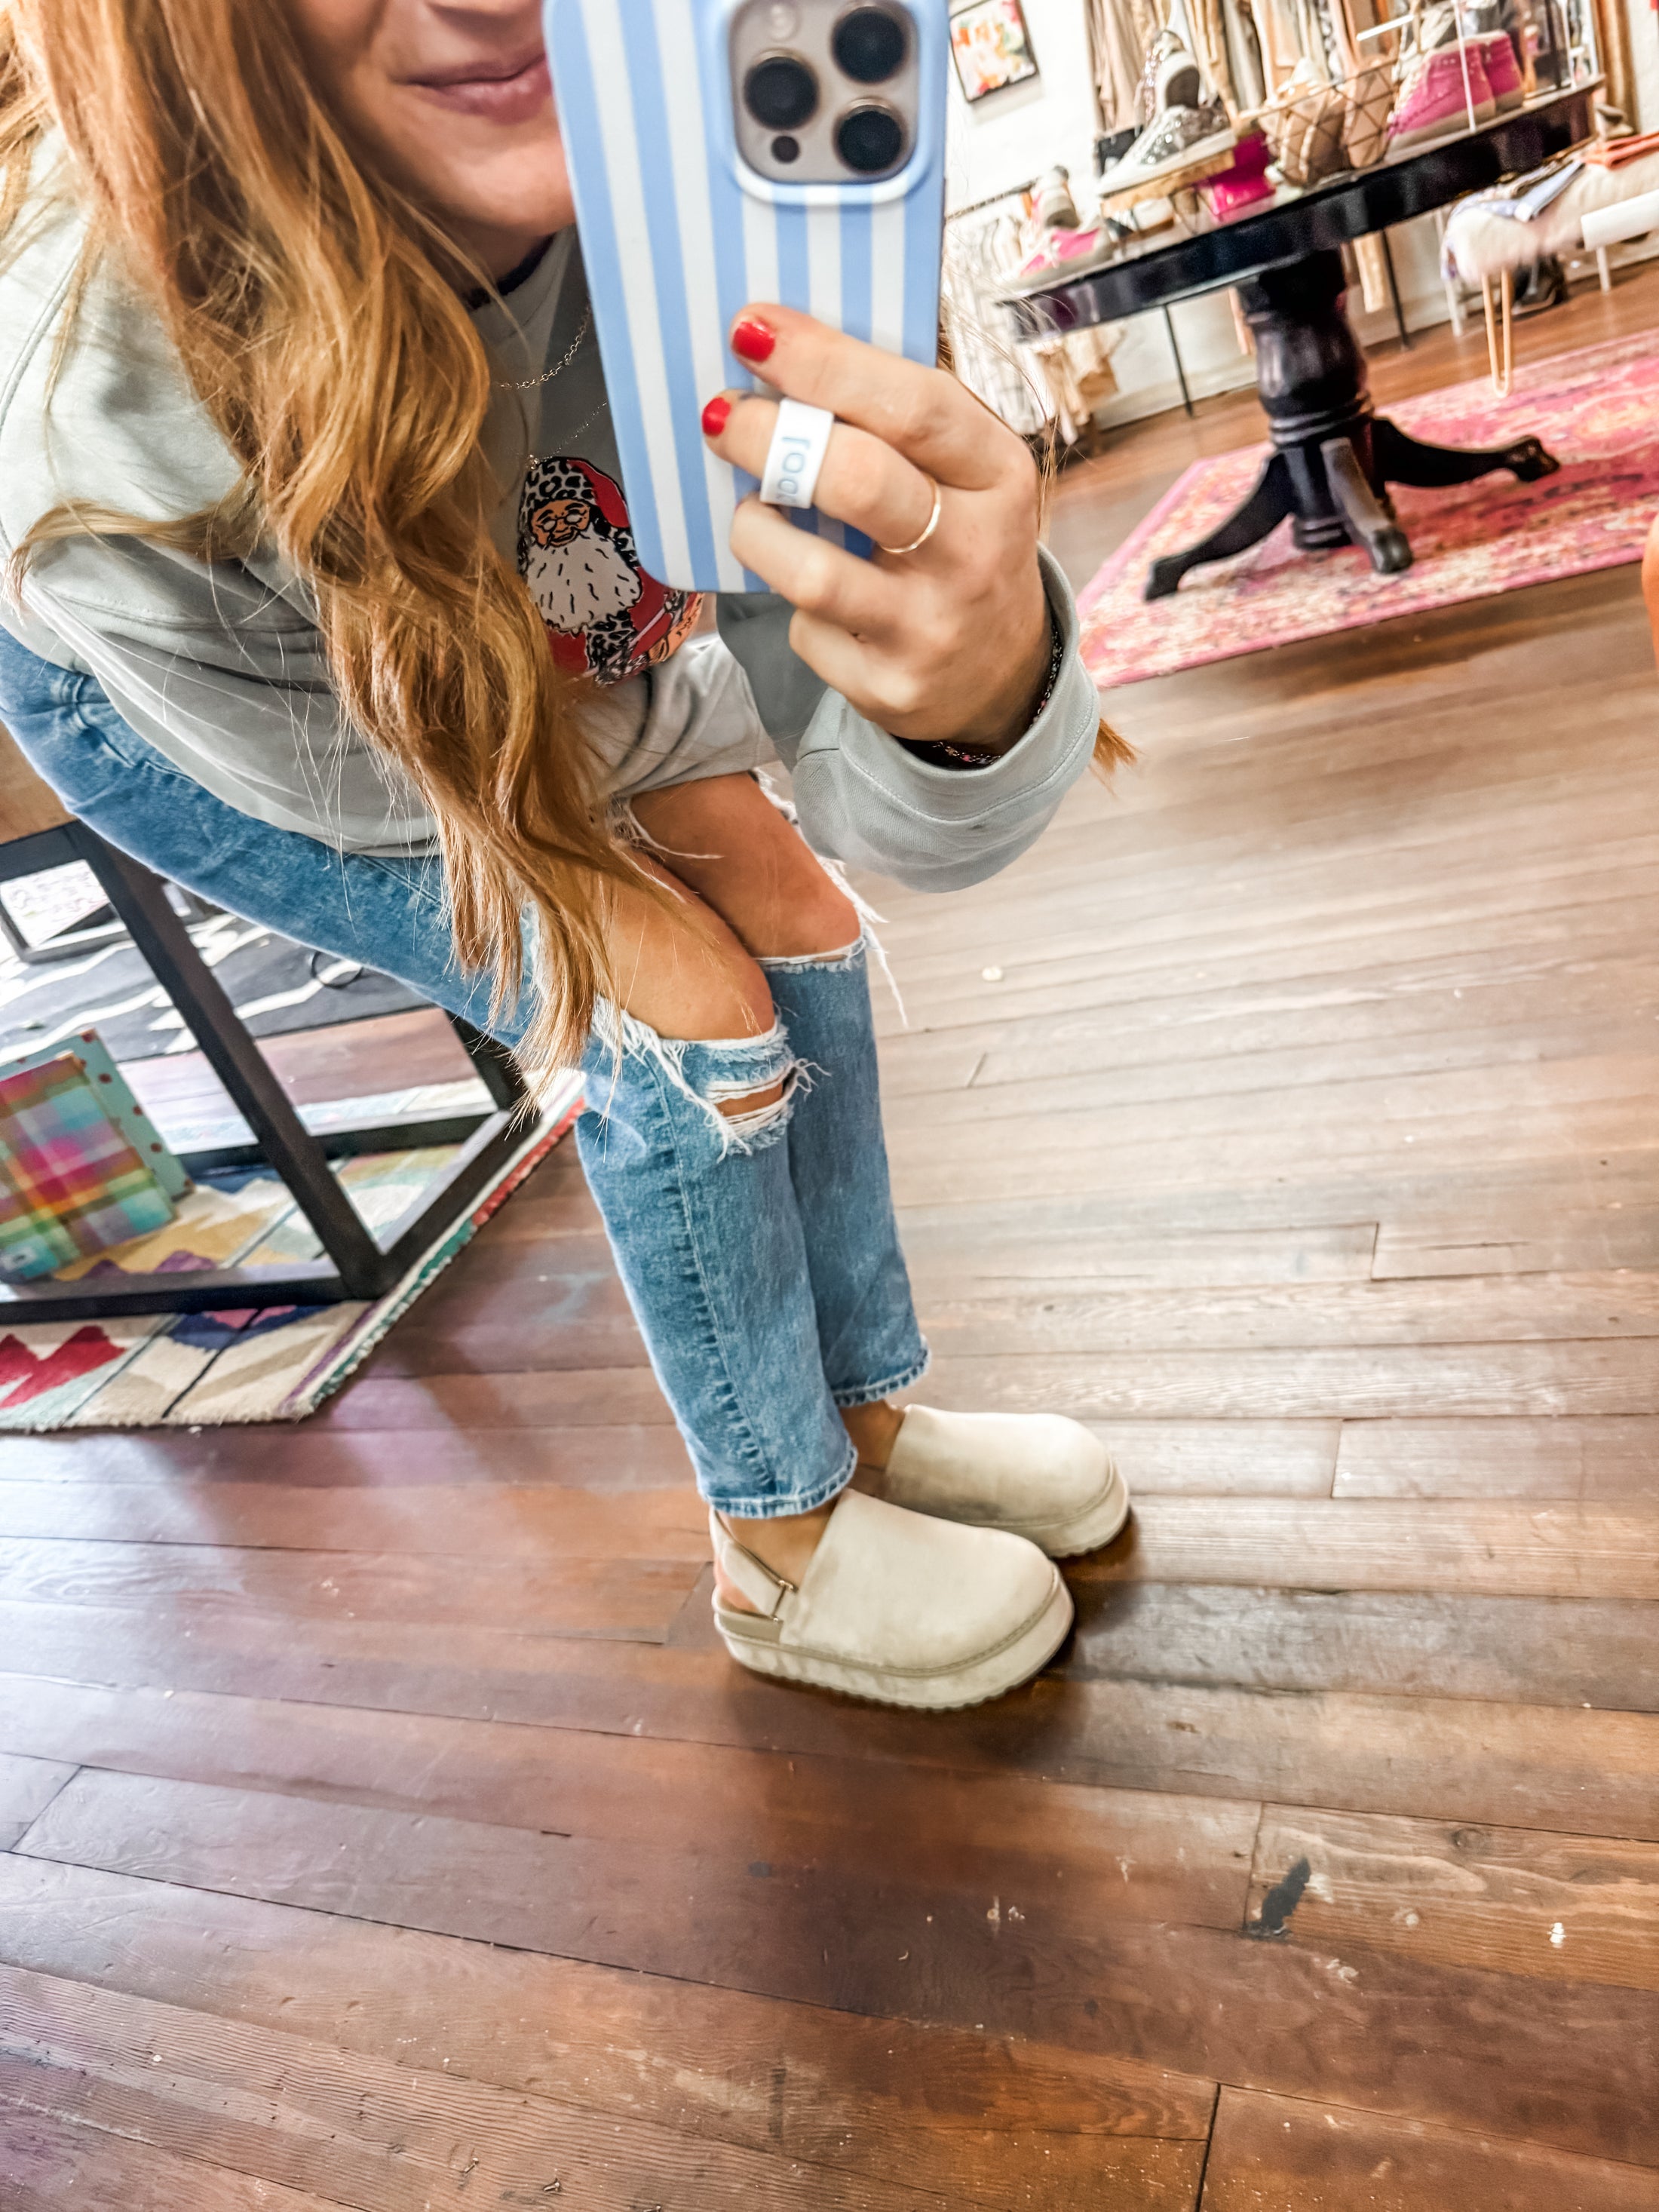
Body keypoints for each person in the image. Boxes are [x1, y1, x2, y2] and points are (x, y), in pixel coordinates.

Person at [0, 0, 1130, 1709]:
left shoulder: (725, 168)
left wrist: (970, 687)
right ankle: (780, 1538)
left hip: (479, 600)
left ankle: (867, 1417)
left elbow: (843, 772)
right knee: (675, 1000)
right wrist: (668, 781)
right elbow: (447, 767)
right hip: (202, 695)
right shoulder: (102, 403)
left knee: (782, 904)